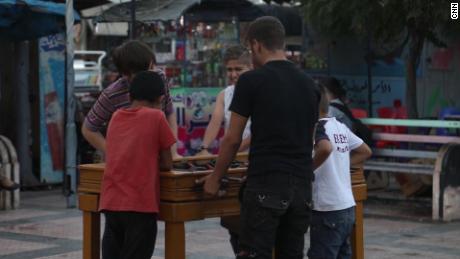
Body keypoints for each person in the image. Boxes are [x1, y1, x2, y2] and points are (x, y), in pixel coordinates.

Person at [203, 16, 320, 259]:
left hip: (266, 183)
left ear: (256, 45)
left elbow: (232, 138)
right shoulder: (310, 84)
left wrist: (215, 177)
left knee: (255, 253)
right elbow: (310, 139)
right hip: (302, 189)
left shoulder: (251, 81)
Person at [99, 71, 176, 259]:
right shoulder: (157, 117)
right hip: (140, 205)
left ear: (129, 96)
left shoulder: (116, 116)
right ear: (160, 98)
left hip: (111, 202)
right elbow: (167, 163)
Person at [81, 40, 180, 158]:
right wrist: (113, 153)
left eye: (151, 67)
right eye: (143, 71)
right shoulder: (112, 94)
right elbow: (88, 129)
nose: (149, 73)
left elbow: (169, 112)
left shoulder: (159, 77)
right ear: (125, 73)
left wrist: (172, 152)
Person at [308, 85, 372, 259]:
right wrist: (342, 163)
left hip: (327, 208)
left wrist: (307, 170)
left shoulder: (315, 130)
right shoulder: (339, 127)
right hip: (347, 207)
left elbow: (324, 150)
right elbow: (365, 151)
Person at [197, 45, 252, 156]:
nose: (233, 75)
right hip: (231, 157)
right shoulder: (224, 95)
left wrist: (234, 149)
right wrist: (204, 148)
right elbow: (214, 124)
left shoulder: (260, 92)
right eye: (229, 70)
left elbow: (259, 131)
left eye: (238, 69)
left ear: (251, 67)